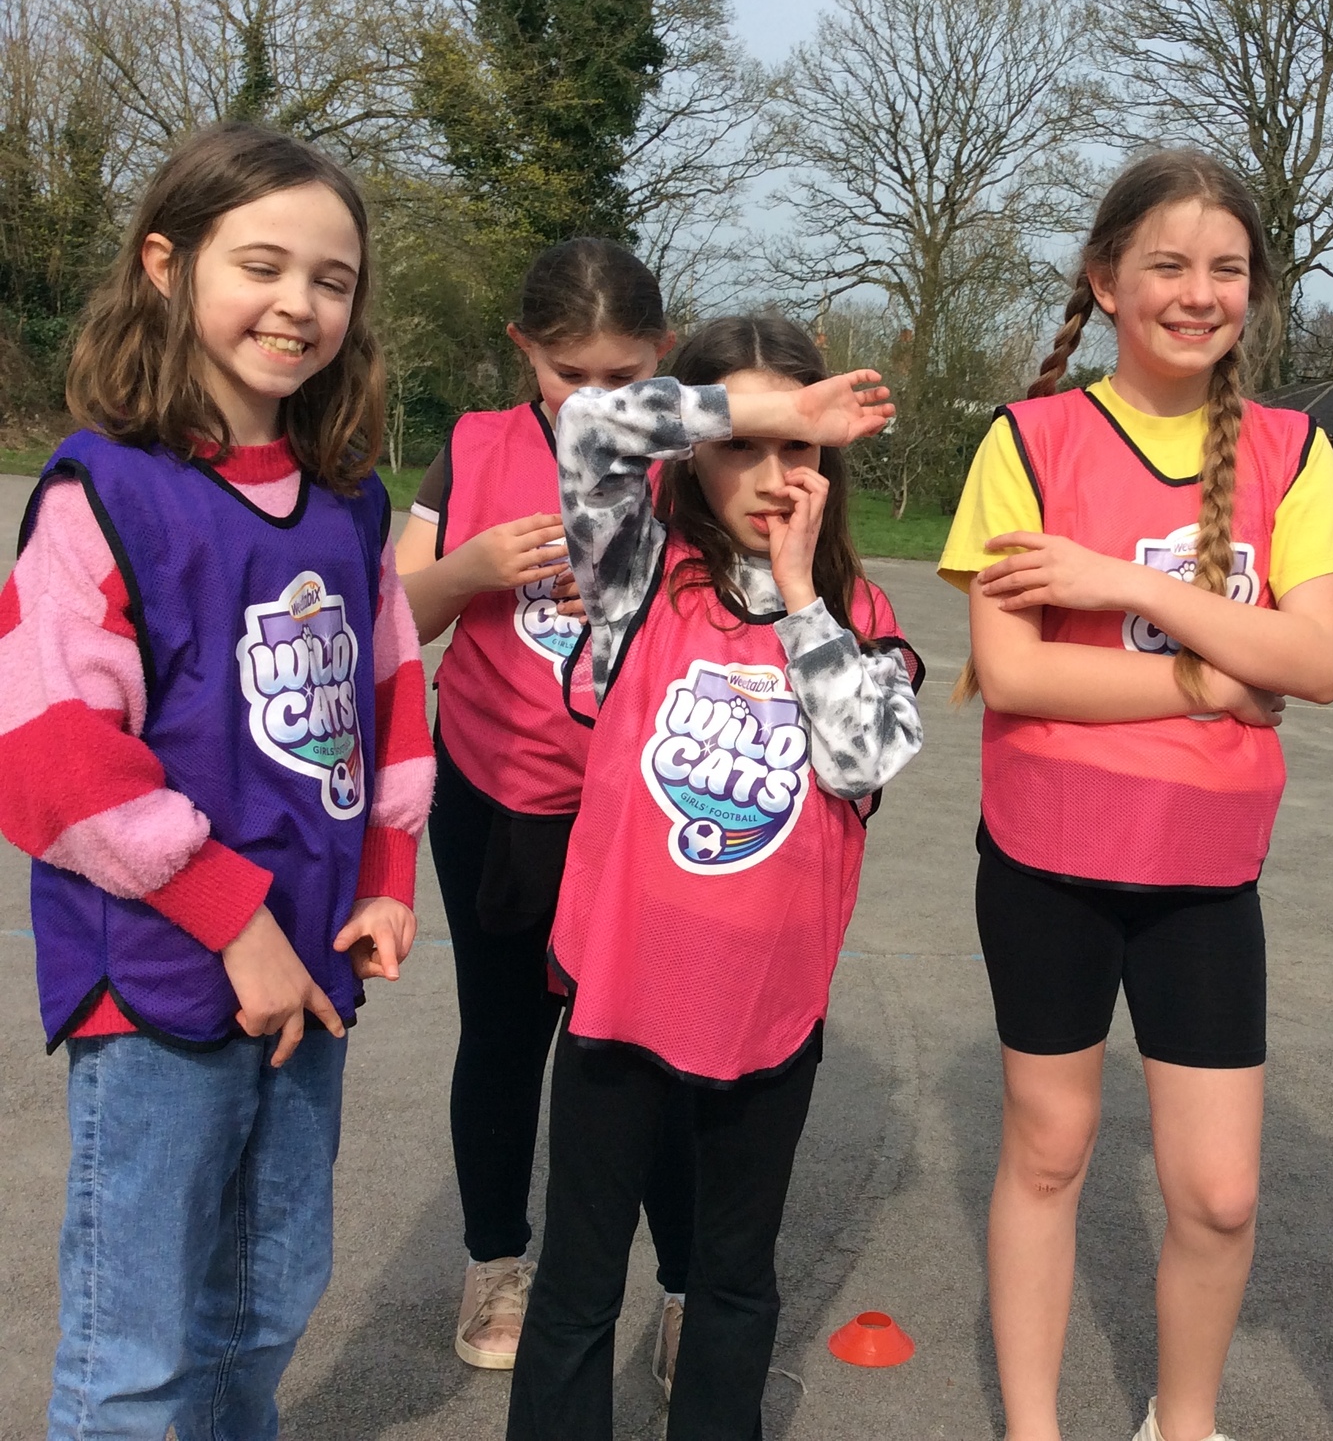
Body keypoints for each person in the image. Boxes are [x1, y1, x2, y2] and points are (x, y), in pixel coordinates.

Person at [0, 121, 433, 1438]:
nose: (299, 303)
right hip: (163, 982)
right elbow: (51, 753)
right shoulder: (105, 491)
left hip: (312, 969)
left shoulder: (349, 501)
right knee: (135, 1348)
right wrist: (231, 920)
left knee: (264, 1308)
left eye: (332, 279)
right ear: (166, 264)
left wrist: (386, 875)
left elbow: (388, 695)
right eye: (263, 265)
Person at [940, 149, 1333, 1441]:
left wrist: (1126, 586)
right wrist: (1211, 682)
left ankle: (1181, 1424)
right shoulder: (1028, 440)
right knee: (1049, 1153)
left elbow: (1317, 662)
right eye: (1168, 265)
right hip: (1048, 859)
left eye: (1226, 269)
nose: (1199, 293)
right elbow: (1016, 672)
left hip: (1205, 874)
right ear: (1105, 279)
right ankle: (1033, 1427)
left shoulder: (1293, 453)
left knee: (1220, 1193)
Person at [504, 315, 922, 1441]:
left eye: (800, 449)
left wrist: (800, 598)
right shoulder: (639, 575)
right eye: (744, 444)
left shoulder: (863, 623)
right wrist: (773, 407)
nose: (775, 474)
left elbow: (861, 760)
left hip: (766, 1019)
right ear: (695, 453)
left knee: (732, 1283)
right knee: (579, 1283)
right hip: (620, 1000)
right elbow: (590, 426)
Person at [393, 238, 697, 1385]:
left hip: (640, 807)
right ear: (524, 349)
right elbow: (393, 621)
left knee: (647, 1053)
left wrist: (636, 579)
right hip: (498, 795)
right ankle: (495, 1262)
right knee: (505, 1036)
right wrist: (471, 566)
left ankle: (687, 1287)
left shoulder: (684, 456)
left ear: (665, 355)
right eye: (571, 375)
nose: (597, 400)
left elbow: (735, 609)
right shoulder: (473, 447)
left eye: (626, 377)